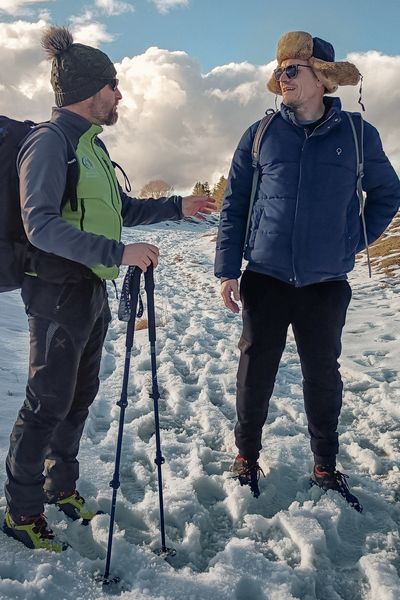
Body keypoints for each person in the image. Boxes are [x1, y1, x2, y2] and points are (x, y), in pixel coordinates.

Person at [3, 25, 215, 552]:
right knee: (45, 403)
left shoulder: (92, 148)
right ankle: (21, 510)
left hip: (91, 291)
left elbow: (118, 211)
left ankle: (60, 487)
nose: (119, 95)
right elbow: (41, 225)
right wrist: (119, 254)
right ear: (88, 88)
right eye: (113, 85)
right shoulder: (49, 144)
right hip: (54, 291)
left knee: (78, 398)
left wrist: (176, 206)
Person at [215, 31, 400, 507]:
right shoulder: (259, 135)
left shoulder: (358, 135)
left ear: (322, 77)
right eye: (279, 70)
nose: (283, 77)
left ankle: (325, 466)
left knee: (323, 376)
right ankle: (246, 457)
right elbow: (235, 206)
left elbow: (387, 195)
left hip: (325, 285)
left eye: (292, 69)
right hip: (265, 278)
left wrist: (350, 242)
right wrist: (226, 269)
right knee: (255, 372)